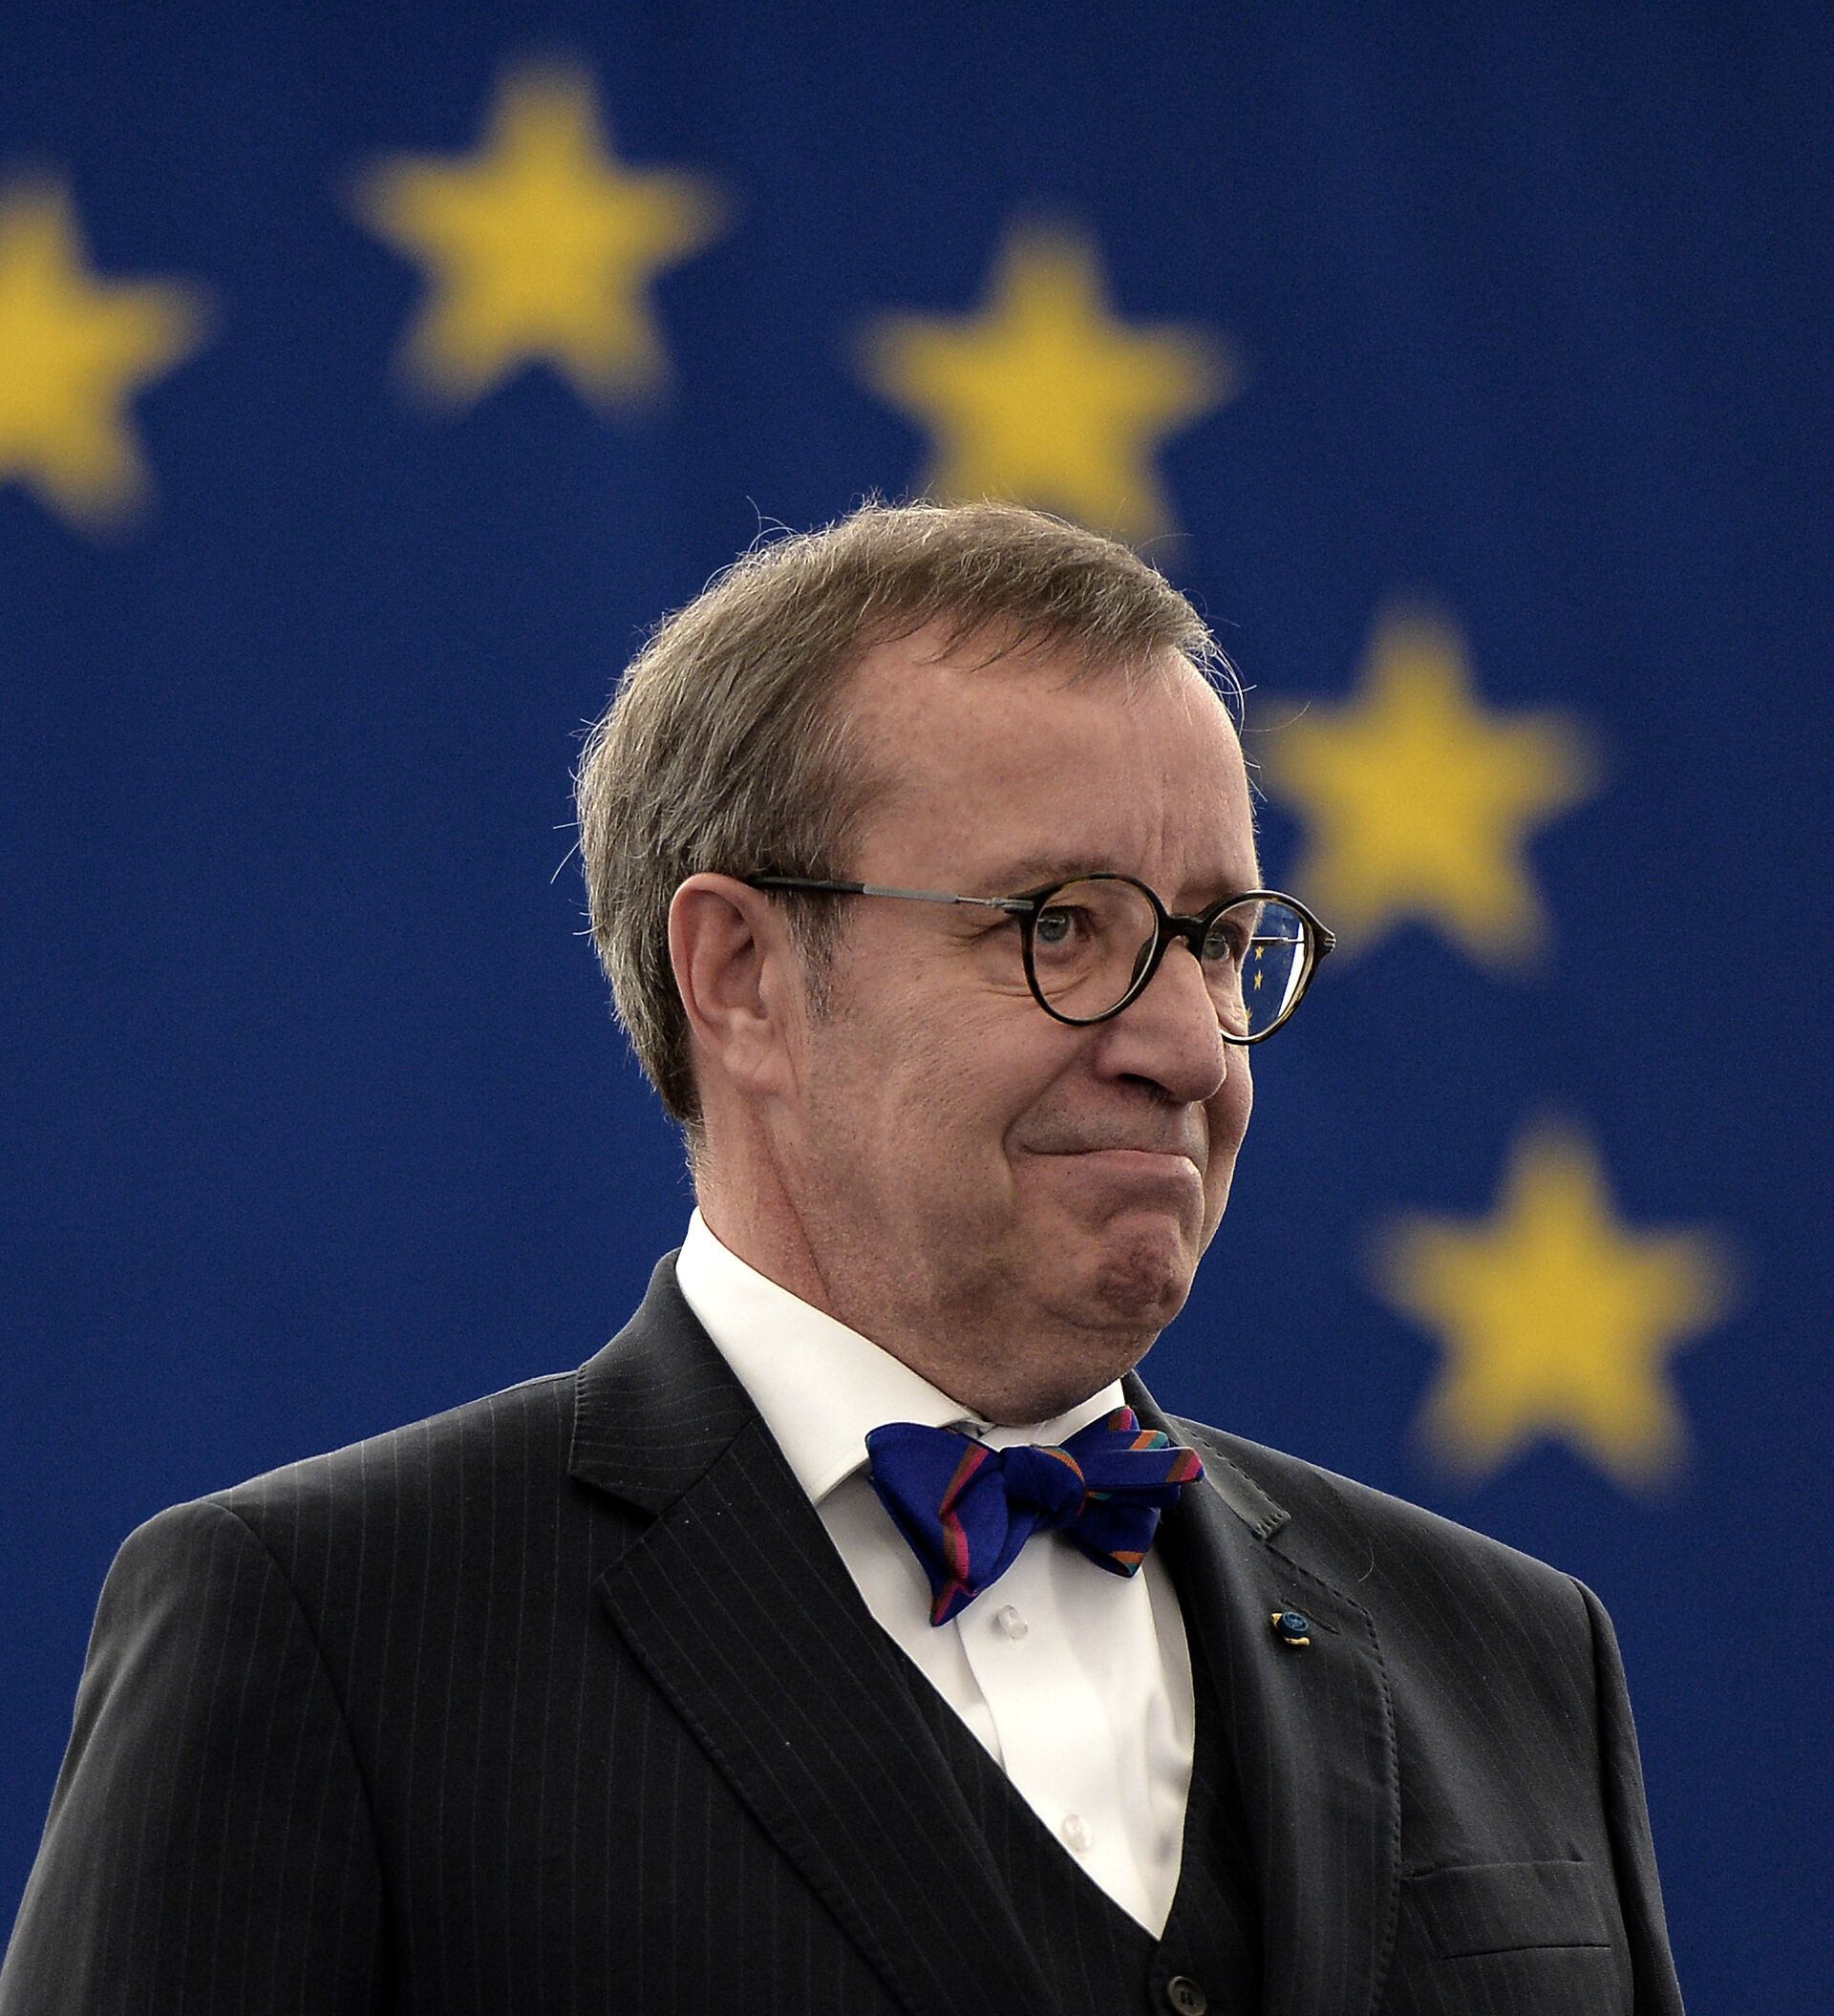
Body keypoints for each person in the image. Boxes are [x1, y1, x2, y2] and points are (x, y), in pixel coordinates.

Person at [1, 500, 1683, 2014]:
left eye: (1222, 942)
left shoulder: (1518, 1658)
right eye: (1062, 926)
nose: (1190, 1046)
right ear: (739, 976)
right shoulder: (331, 1634)